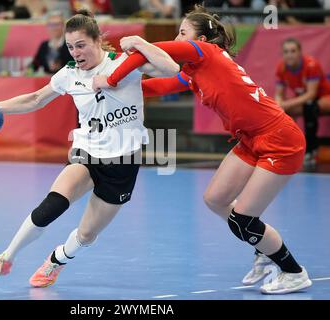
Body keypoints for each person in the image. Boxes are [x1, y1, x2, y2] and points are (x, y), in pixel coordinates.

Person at [93, 4, 313, 294]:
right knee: (215, 199)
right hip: (250, 138)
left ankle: (293, 271)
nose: (178, 37)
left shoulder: (206, 53)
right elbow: (160, 86)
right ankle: (262, 246)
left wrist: (110, 78)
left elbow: (147, 51)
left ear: (202, 40)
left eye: (183, 32)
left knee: (244, 219)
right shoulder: (196, 70)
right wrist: (121, 90)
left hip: (279, 139)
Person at [0, 10, 179, 288]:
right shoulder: (69, 74)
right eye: (70, 46)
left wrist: (141, 44)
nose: (75, 52)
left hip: (123, 163)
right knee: (53, 204)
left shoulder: (124, 63)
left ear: (97, 41)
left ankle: (56, 260)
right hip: (86, 153)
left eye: (81, 45)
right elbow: (35, 98)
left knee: (86, 235)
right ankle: (5, 258)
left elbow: (172, 69)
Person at [275, 37, 330, 165]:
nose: (289, 55)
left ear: (300, 52)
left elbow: (311, 94)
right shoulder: (281, 67)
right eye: (286, 52)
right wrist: (278, 105)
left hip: (324, 97)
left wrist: (284, 104)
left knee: (310, 106)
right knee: (280, 112)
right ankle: (286, 149)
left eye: (293, 51)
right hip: (305, 101)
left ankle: (311, 150)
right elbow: (279, 94)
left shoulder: (311, 65)